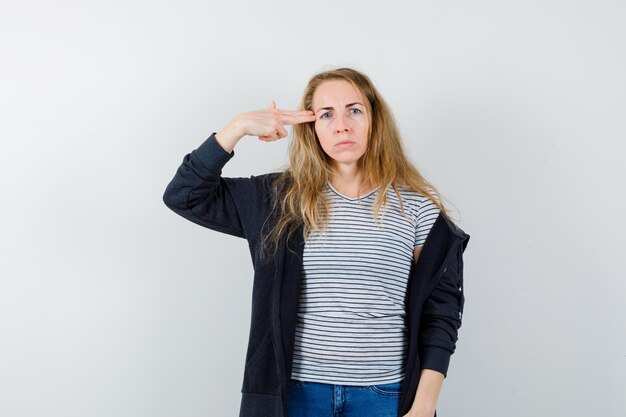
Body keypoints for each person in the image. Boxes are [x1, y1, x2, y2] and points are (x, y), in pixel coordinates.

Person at [162, 67, 470, 417]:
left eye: (354, 110)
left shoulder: (417, 210)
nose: (342, 125)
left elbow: (442, 314)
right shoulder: (280, 200)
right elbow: (184, 196)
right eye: (326, 114)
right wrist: (239, 127)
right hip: (295, 396)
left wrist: (424, 406)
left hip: (383, 396)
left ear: (374, 119)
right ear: (312, 128)